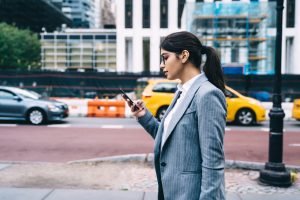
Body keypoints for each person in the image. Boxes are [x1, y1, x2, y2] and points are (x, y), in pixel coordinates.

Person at [127, 31, 227, 200]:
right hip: (172, 192)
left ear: (184, 56)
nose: (161, 65)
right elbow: (171, 139)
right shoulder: (181, 92)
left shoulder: (207, 94)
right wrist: (144, 116)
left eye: (165, 57)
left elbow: (213, 161)